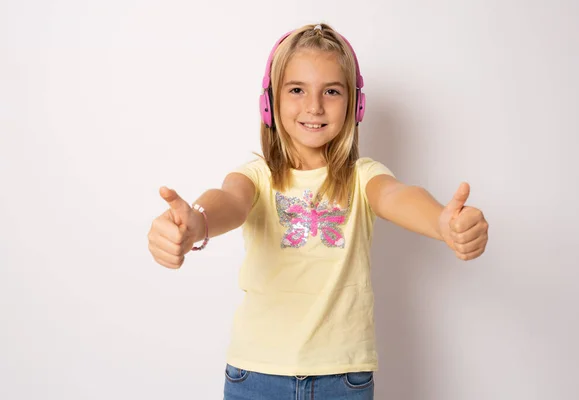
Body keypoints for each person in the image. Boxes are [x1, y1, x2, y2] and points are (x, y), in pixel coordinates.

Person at [147, 22, 489, 400]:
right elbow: (229, 200)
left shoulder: (362, 177)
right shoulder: (257, 177)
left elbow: (397, 196)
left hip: (342, 379)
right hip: (256, 375)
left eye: (331, 91)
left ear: (355, 105)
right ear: (270, 102)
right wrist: (196, 222)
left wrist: (442, 222)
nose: (314, 106)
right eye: (296, 90)